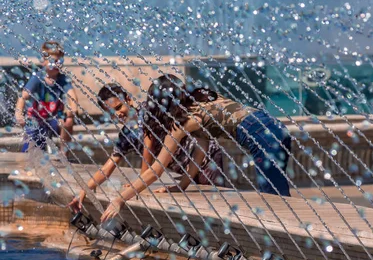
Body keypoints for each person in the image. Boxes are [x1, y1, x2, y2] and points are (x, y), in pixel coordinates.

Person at [100, 75, 292, 222]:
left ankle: (283, 258)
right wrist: (182, 185)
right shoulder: (201, 101)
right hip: (273, 126)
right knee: (279, 196)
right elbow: (201, 149)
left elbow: (155, 171)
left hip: (261, 135)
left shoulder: (181, 123)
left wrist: (120, 199)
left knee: (273, 201)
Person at [69, 83, 225, 212]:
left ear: (128, 100)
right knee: (195, 204)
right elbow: (107, 168)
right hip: (185, 167)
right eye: (111, 113)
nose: (117, 114)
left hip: (205, 157)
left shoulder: (148, 112)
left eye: (118, 107)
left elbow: (147, 148)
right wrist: (84, 190)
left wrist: (141, 180)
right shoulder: (126, 135)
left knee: (213, 204)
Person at [15, 41, 78, 154]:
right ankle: (26, 157)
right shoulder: (38, 78)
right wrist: (18, 114)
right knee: (30, 147)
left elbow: (72, 97)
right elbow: (23, 96)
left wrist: (72, 111)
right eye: (52, 61)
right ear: (44, 61)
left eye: (59, 61)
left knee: (67, 122)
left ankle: (64, 154)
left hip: (55, 119)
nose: (56, 64)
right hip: (36, 119)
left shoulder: (63, 80)